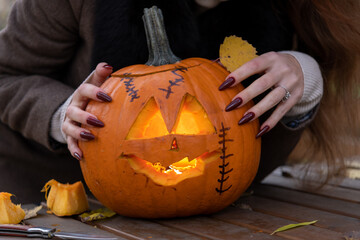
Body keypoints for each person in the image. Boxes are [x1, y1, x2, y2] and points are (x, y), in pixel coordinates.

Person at [0, 0, 359, 204]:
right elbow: (6, 74)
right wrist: (62, 114)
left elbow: (245, 139)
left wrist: (307, 76)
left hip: (222, 210)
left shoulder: (301, 8)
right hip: (45, 200)